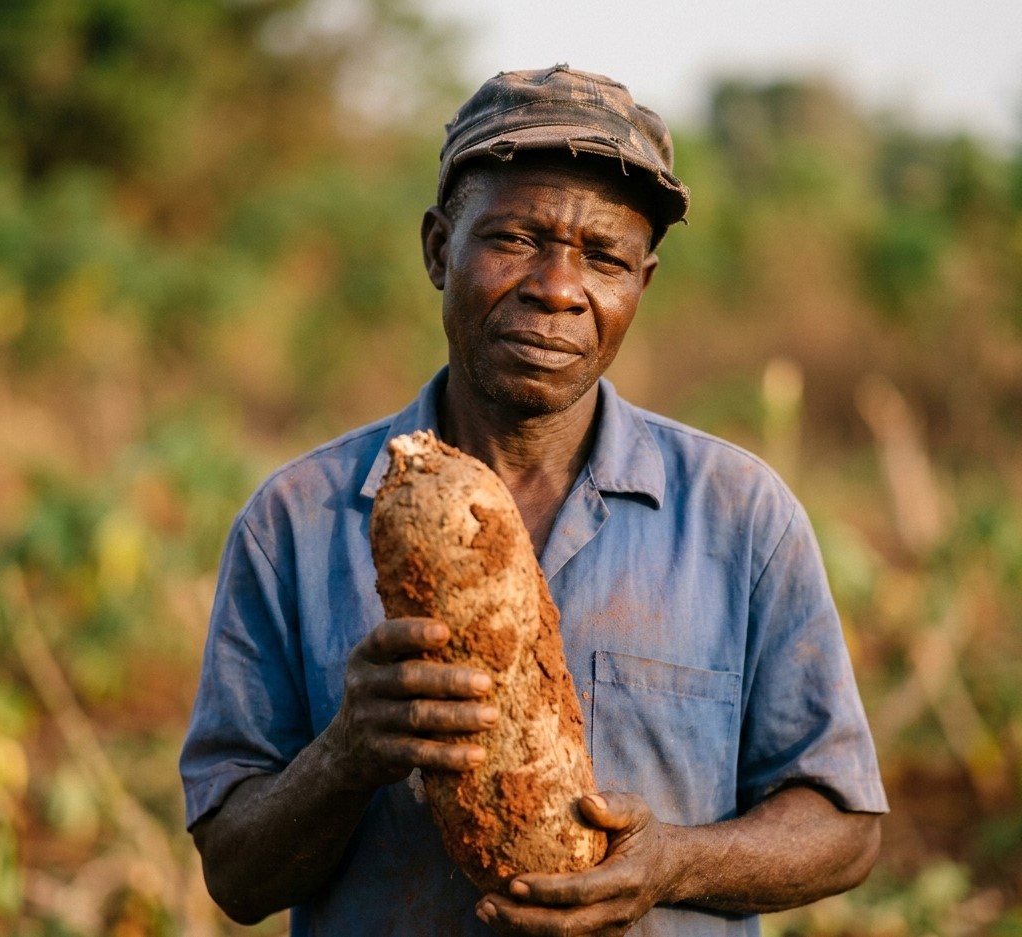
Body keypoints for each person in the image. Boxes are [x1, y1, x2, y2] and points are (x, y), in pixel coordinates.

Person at [180, 64, 888, 936]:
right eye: (515, 239)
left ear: (642, 285)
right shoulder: (293, 521)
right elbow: (235, 875)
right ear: (440, 247)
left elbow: (847, 828)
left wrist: (673, 861)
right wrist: (345, 755)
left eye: (604, 257)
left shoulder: (741, 516)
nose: (558, 288)